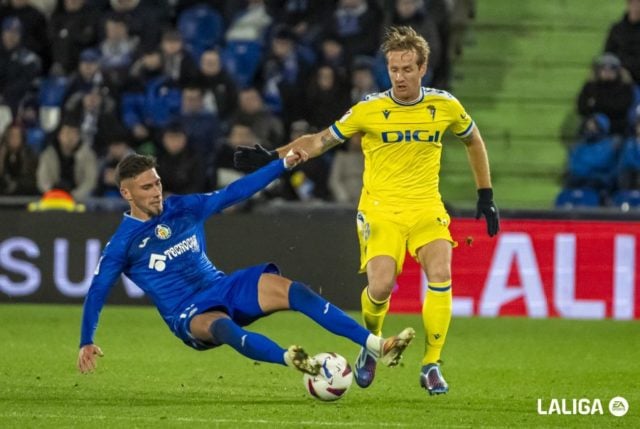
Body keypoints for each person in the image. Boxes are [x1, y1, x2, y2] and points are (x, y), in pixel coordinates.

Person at [234, 25, 500, 396]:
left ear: (423, 68)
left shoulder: (445, 106)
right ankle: (371, 343)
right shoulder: (370, 110)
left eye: (408, 69)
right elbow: (319, 141)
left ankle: (431, 364)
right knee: (381, 285)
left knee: (440, 271)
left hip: (426, 207)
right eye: (394, 69)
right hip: (380, 209)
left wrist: (485, 194)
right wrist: (272, 157)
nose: (400, 76)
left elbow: (473, 140)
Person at [77, 152, 415, 380]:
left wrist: (281, 165)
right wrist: (86, 340)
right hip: (187, 312)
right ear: (126, 193)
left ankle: (377, 346)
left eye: (158, 183)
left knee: (295, 291)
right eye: (147, 187)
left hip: (222, 285)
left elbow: (234, 192)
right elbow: (97, 291)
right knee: (221, 326)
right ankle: (291, 359)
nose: (156, 192)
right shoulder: (123, 244)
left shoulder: (183, 207)